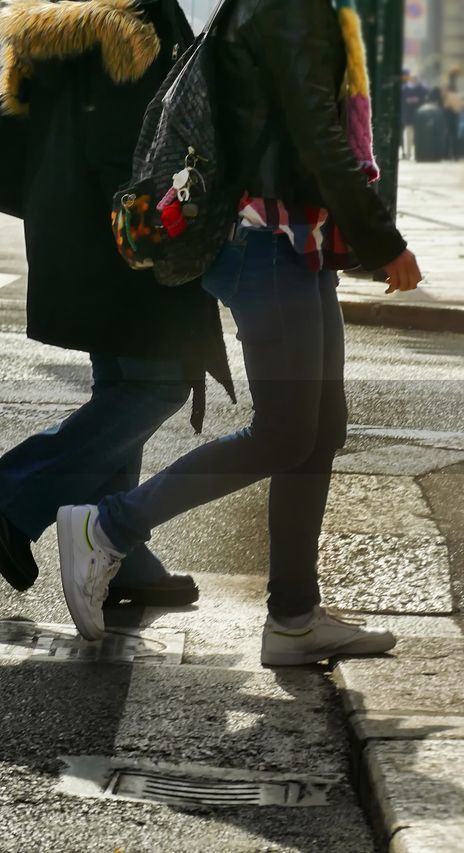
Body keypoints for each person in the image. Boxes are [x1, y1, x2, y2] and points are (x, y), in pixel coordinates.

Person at [55, 0, 423, 666]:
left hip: (298, 241)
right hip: (264, 241)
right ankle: (107, 527)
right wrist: (381, 238)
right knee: (285, 429)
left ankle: (293, 617)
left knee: (319, 427)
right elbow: (316, 132)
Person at [0, 0, 232, 608]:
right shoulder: (131, 30)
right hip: (124, 249)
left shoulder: (65, 24)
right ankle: (11, 489)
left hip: (76, 237)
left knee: (122, 389)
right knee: (158, 385)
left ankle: (121, 558)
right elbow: (136, 154)